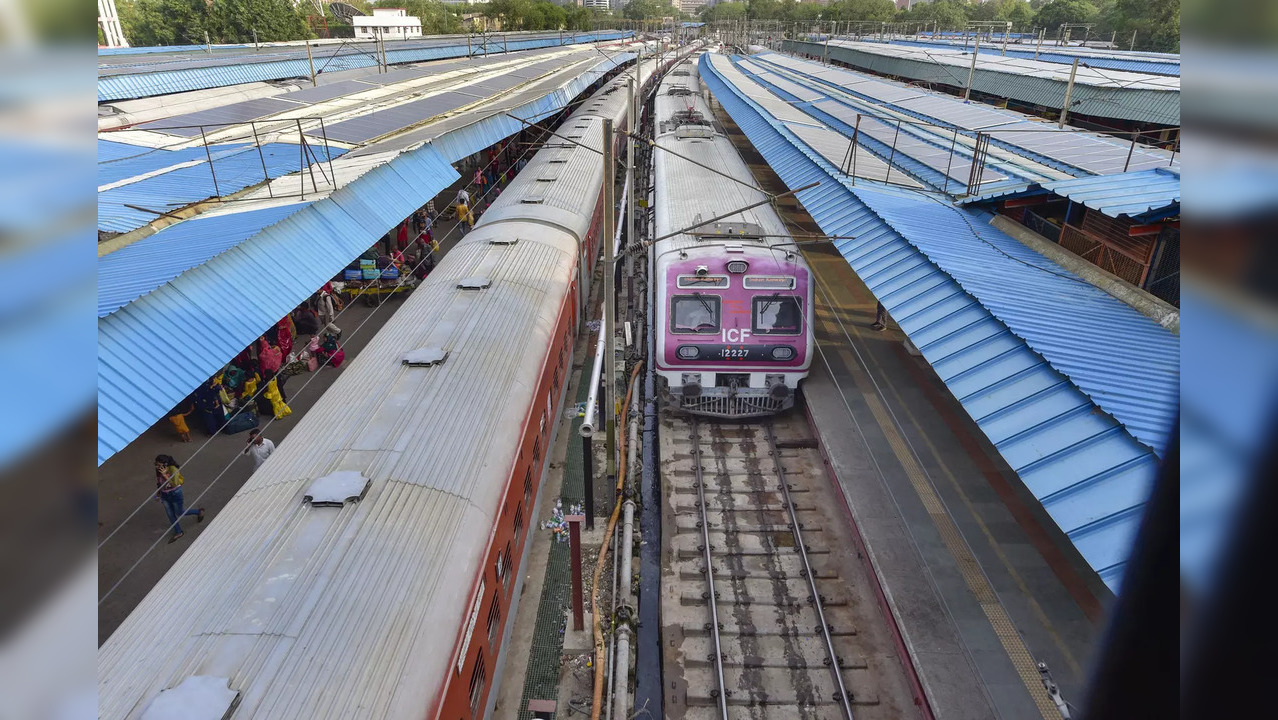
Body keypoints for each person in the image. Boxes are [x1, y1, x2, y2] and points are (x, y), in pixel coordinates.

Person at [155, 455, 203, 542]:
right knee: (170, 514)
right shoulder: (158, 470)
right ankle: (178, 531)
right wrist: (158, 494)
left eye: (159, 465)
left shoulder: (173, 470)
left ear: (166, 464)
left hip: (175, 493)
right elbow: (159, 482)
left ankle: (198, 512)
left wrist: (165, 475)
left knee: (179, 512)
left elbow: (175, 484)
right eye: (156, 465)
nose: (157, 467)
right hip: (164, 494)